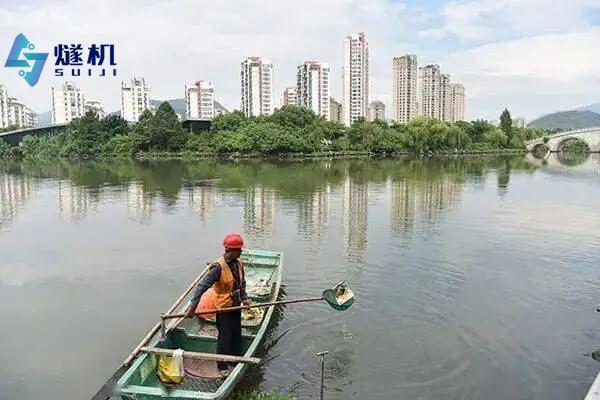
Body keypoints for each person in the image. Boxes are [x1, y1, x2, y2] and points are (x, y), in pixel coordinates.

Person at [187, 233, 250, 378]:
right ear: (230, 250)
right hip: (223, 308)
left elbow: (242, 283)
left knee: (236, 333)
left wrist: (245, 298)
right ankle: (221, 365)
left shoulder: (238, 263)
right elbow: (201, 287)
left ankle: (235, 359)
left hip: (236, 305)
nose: (241, 252)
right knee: (225, 336)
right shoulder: (217, 267)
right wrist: (192, 307)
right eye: (239, 250)